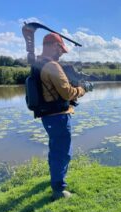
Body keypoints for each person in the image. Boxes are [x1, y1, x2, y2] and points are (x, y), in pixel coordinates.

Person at [37, 33, 86, 200]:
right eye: (60, 49)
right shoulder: (52, 66)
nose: (61, 53)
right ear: (52, 46)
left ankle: (55, 179)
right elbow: (67, 93)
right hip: (58, 116)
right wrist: (82, 89)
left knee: (55, 150)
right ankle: (59, 189)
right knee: (62, 152)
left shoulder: (39, 63)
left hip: (49, 116)